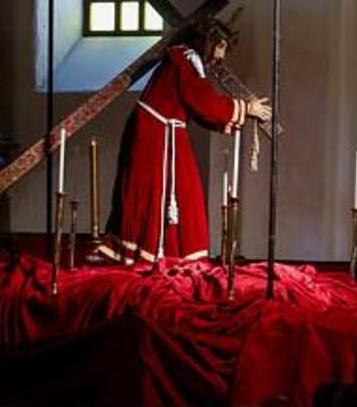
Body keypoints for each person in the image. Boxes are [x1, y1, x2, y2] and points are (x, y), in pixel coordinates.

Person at [100, 19, 272, 264]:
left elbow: (198, 108)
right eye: (221, 47)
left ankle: (171, 252)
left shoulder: (187, 61)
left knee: (184, 193)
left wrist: (236, 116)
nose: (221, 56)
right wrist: (246, 108)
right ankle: (151, 252)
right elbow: (202, 100)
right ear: (210, 43)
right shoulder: (184, 59)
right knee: (162, 192)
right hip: (154, 135)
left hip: (165, 132)